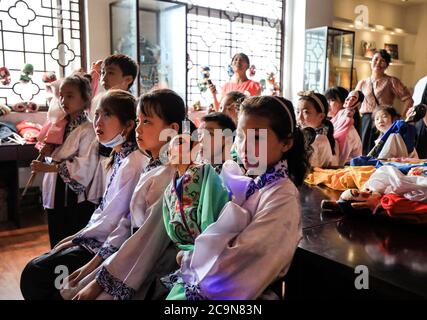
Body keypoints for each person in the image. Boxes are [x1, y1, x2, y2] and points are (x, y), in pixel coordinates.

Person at [165, 96, 309, 300]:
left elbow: (246, 259)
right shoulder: (251, 180)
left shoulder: (282, 196)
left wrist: (191, 258)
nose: (245, 147)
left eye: (257, 138)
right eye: (241, 137)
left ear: (286, 143)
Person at [61, 89, 189, 300]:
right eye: (138, 121)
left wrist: (98, 281)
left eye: (146, 122)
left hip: (145, 264)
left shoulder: (169, 175)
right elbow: (126, 222)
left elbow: (145, 240)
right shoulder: (152, 166)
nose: (138, 129)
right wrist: (92, 269)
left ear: (172, 130)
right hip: (126, 253)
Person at [20, 90, 148, 300]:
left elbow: (115, 221)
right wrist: (76, 237)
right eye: (96, 115)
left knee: (36, 274)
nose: (98, 122)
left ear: (129, 125)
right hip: (95, 236)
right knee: (37, 270)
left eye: (106, 115)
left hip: (107, 246)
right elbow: (104, 211)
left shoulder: (133, 163)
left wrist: (78, 239)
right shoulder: (119, 157)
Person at [30, 74, 98, 248]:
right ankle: (56, 271)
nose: (63, 100)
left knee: (71, 239)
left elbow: (85, 164)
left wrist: (50, 167)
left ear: (85, 99)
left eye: (70, 95)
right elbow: (56, 156)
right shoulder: (60, 125)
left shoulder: (88, 130)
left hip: (74, 196)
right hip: (55, 190)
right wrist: (48, 151)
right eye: (61, 95)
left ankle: (70, 273)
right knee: (56, 235)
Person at [355, 49, 413, 155]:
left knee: (380, 151)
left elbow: (408, 99)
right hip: (366, 121)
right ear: (371, 61)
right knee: (364, 151)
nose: (378, 63)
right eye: (376, 59)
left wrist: (402, 117)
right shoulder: (363, 83)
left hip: (383, 120)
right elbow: (354, 103)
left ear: (386, 65)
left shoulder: (391, 81)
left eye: (382, 61)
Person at [297, 91, 338, 168]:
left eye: (306, 112)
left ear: (321, 116)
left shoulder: (320, 140)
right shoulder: (305, 136)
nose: (299, 117)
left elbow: (311, 171)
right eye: (298, 111)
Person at [330, 90, 364, 165]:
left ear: (357, 103)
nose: (348, 100)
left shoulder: (349, 133)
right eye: (348, 98)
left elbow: (341, 161)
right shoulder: (340, 113)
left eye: (353, 99)